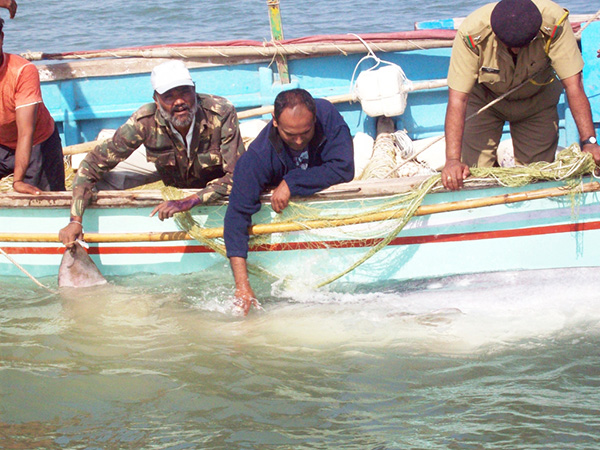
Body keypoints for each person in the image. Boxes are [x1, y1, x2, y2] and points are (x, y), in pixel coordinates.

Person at [59, 60, 245, 247]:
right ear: (156, 100)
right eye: (169, 96)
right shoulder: (144, 121)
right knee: (97, 178)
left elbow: (237, 176)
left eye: (184, 92)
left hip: (210, 180)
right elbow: (92, 164)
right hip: (167, 171)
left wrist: (187, 202)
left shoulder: (221, 112)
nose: (179, 102)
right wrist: (75, 220)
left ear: (194, 90)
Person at [442, 0, 600, 191]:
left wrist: (589, 142)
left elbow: (573, 85)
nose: (516, 50)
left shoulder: (554, 23)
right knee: (473, 176)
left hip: (537, 103)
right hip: (485, 102)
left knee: (537, 178)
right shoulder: (471, 33)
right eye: (509, 45)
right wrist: (451, 160)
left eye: (524, 44)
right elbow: (458, 99)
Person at [224, 88, 355, 314]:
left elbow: (344, 167)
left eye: (306, 132)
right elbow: (236, 217)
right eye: (290, 134)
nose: (298, 141)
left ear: (314, 119)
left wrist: (291, 183)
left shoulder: (326, 114)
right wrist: (242, 286)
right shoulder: (257, 157)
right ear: (275, 122)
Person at [0, 15, 65, 194]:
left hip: (38, 143)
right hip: (2, 143)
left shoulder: (22, 71)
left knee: (49, 200)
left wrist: (18, 180)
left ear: (2, 38)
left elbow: (26, 133)